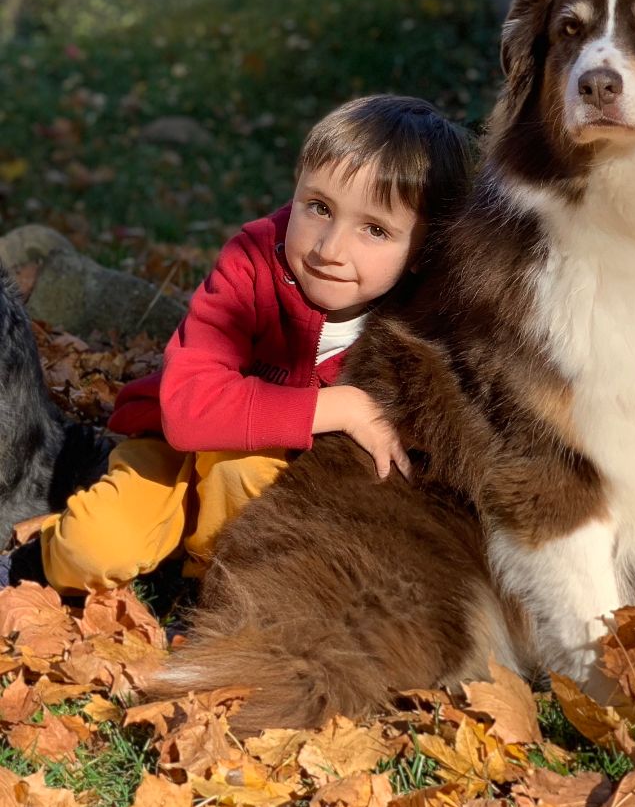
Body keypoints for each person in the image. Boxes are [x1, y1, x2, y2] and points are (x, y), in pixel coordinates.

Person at [36, 95, 473, 594]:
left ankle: (211, 587)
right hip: (180, 449)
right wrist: (340, 407)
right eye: (319, 208)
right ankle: (43, 547)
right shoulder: (253, 261)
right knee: (88, 550)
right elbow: (188, 409)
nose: (330, 249)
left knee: (246, 469)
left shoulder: (425, 323)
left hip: (287, 493)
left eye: (375, 230)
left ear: (426, 250)